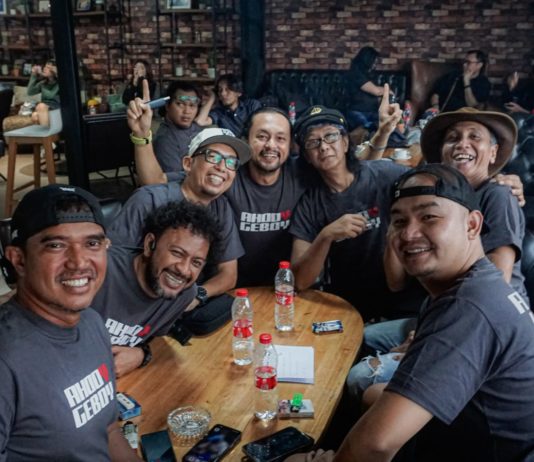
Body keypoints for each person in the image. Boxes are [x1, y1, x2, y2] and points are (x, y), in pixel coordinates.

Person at [327, 164, 534, 462]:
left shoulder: (469, 306)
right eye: (399, 221)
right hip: (469, 427)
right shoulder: (472, 284)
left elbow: (375, 445)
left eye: (429, 217)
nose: (409, 234)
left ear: (472, 225)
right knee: (371, 394)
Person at [133, 79, 402, 287]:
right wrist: (142, 136)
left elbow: (347, 168)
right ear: (246, 140)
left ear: (291, 146)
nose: (271, 145)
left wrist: (383, 133)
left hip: (285, 287)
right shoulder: (227, 172)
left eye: (280, 138)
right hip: (231, 287)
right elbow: (156, 182)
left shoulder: (300, 172)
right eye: (262, 136)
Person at [347, 107, 526, 398]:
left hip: (479, 330)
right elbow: (395, 283)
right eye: (453, 138)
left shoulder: (497, 195)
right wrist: (398, 224)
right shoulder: (432, 200)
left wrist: (429, 336)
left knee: (362, 378)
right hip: (437, 315)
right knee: (362, 338)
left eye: (474, 137)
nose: (462, 144)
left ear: (493, 152)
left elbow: (495, 285)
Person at [0, 184, 141, 461]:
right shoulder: (6, 360)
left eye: (92, 244)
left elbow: (108, 429)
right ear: (19, 260)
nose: (78, 262)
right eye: (56, 245)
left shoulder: (92, 323)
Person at [111, 93, 249, 313]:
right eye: (213, 157)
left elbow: (229, 275)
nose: (222, 167)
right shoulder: (149, 199)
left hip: (184, 306)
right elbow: (113, 267)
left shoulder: (221, 208)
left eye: (231, 162)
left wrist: (195, 297)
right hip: (137, 307)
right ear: (187, 163)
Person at [289, 104, 423, 321]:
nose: (323, 147)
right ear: (307, 156)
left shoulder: (385, 175)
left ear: (345, 142)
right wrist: (326, 236)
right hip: (347, 303)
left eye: (331, 136)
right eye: (313, 142)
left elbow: (429, 185)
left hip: (401, 295)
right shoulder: (310, 204)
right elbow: (300, 281)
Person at [93, 200, 221, 377]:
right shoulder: (99, 271)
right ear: (149, 245)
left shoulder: (184, 294)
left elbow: (153, 339)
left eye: (196, 263)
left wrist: (142, 354)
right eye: (177, 253)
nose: (184, 270)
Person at [152, 80, 203, 172]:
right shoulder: (164, 140)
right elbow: (176, 177)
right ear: (167, 106)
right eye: (180, 104)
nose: (187, 111)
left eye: (192, 105)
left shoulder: (198, 129)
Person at [195, 73, 262, 136]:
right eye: (220, 90)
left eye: (228, 89)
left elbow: (261, 126)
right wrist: (212, 97)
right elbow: (200, 121)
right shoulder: (219, 113)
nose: (223, 94)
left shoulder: (251, 106)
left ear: (239, 93)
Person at [2, 60, 59, 131]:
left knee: (40, 106)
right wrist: (34, 75)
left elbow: (50, 95)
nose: (44, 69)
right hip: (44, 109)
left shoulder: (59, 83)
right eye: (45, 66)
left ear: (54, 70)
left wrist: (57, 73)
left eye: (48, 67)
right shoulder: (43, 83)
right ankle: (47, 137)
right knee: (35, 116)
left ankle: (47, 135)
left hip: (56, 109)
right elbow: (30, 92)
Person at [345, 46, 390, 132]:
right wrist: (389, 91)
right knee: (367, 128)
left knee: (387, 125)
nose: (375, 64)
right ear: (367, 60)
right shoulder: (356, 74)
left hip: (372, 112)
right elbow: (376, 91)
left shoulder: (369, 75)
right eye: (374, 61)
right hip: (357, 112)